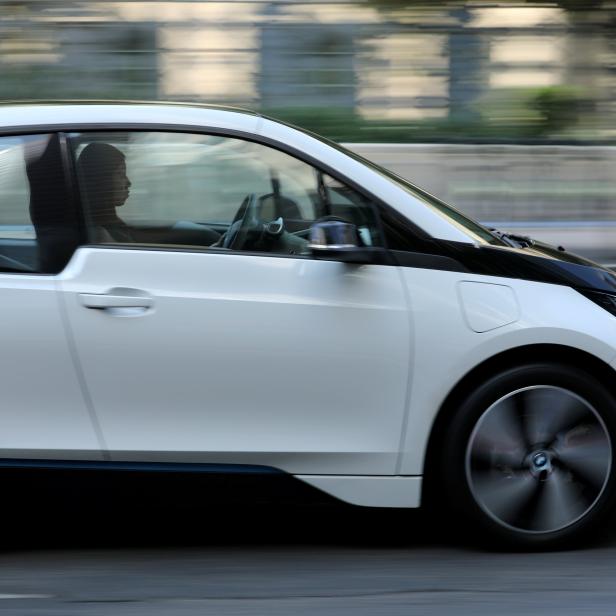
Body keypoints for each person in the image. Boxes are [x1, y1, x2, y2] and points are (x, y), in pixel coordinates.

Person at [77, 142, 134, 243]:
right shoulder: (99, 234)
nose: (128, 182)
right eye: (120, 174)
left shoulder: (111, 223)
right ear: (102, 180)